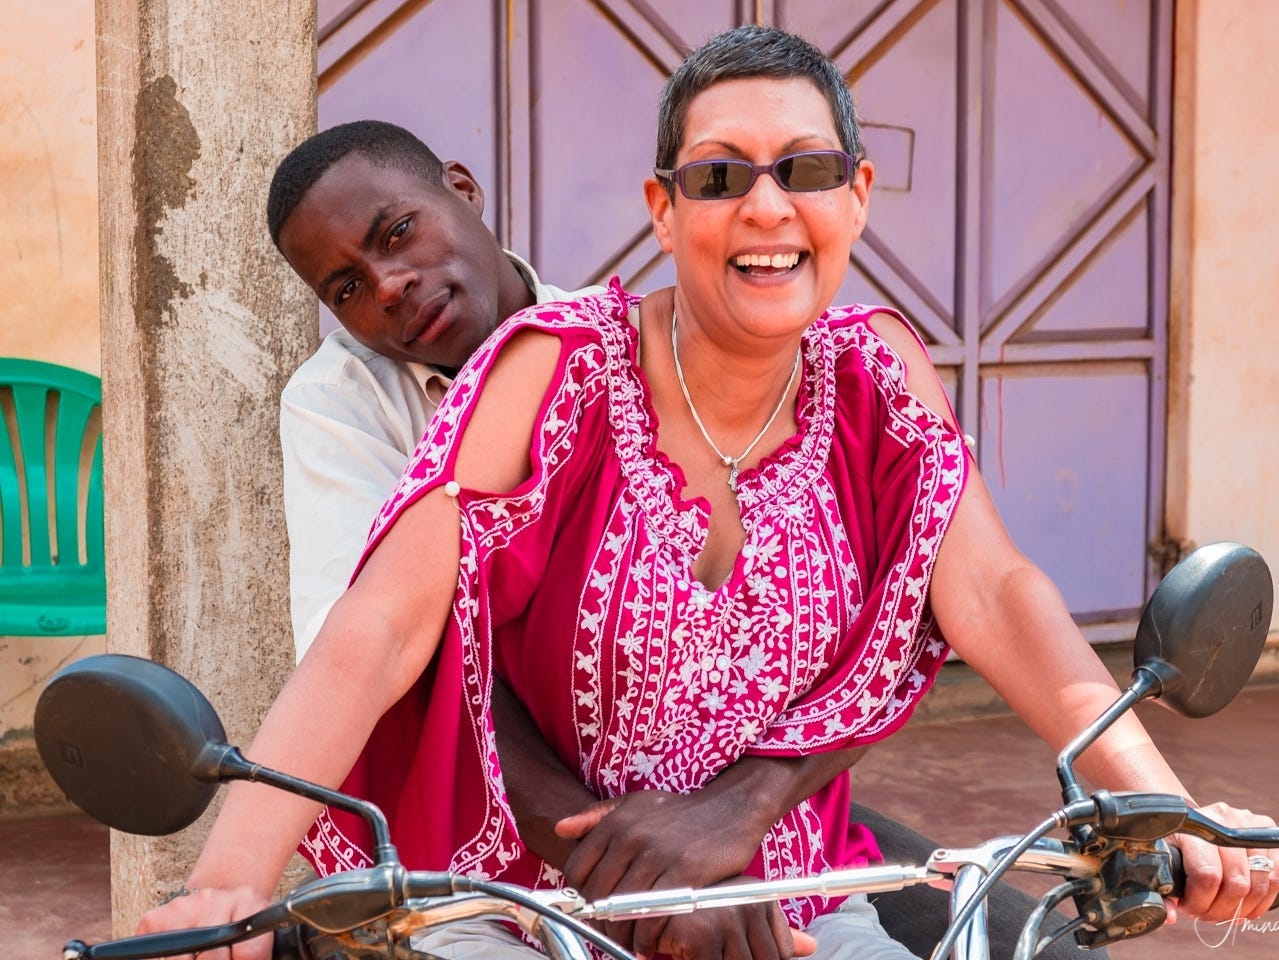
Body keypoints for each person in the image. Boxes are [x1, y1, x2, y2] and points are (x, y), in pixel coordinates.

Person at [141, 26, 1277, 960]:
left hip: (801, 900)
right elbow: (382, 628)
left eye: (809, 169)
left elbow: (995, 592)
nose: (768, 207)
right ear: (663, 206)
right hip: (530, 907)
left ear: (858, 196)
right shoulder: (555, 362)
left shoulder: (881, 373)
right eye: (721, 175)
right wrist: (227, 883)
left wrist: (1158, 800)